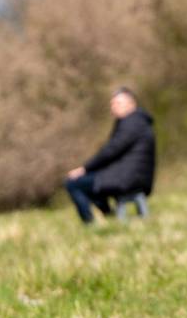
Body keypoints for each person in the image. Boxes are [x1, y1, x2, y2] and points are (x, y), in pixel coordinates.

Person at [65, 87, 155, 225]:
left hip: (127, 178)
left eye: (117, 103)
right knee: (91, 180)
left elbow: (110, 151)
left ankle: (91, 223)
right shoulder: (139, 122)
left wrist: (85, 169)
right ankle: (107, 214)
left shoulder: (131, 123)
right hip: (132, 176)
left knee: (73, 183)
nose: (113, 108)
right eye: (112, 104)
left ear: (131, 104)